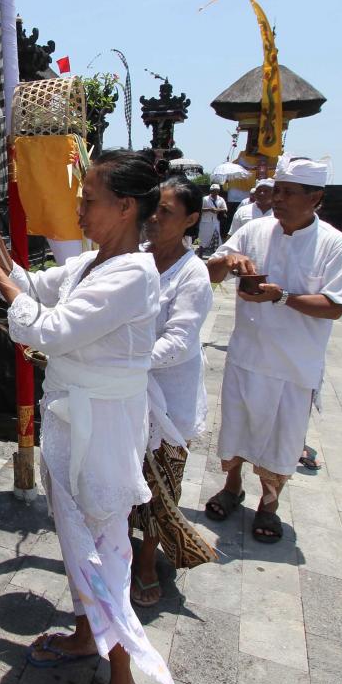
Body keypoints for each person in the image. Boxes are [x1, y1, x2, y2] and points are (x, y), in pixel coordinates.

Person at [0, 149, 178, 684]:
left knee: (107, 550)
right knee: (79, 541)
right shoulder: (94, 264)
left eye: (89, 199)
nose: (78, 207)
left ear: (125, 207)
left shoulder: (132, 274)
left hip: (102, 430)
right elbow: (35, 288)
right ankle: (82, 634)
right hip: (74, 421)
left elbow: (48, 329)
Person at [203, 157, 342, 543]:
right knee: (236, 428)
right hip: (247, 355)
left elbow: (335, 306)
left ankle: (268, 504)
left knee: (283, 438)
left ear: (315, 197)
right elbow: (209, 274)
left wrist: (282, 296)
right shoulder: (255, 230)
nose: (278, 199)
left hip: (294, 365)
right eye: (278, 191)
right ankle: (232, 487)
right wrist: (226, 260)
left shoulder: (334, 244)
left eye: (288, 193)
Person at [130, 178, 218, 608]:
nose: (153, 218)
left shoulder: (193, 273)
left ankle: (147, 561)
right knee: (122, 478)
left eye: (165, 211)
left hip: (169, 399)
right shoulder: (136, 261)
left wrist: (123, 358)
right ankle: (118, 548)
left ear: (191, 219)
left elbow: (180, 342)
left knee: (160, 483)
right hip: (127, 393)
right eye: (152, 208)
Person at [197, 183, 227, 256]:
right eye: (213, 191)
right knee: (201, 238)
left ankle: (215, 255)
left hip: (216, 222)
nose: (215, 192)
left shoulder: (221, 199)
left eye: (216, 191)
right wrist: (209, 209)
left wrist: (218, 210)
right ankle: (197, 251)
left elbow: (225, 209)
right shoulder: (205, 199)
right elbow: (199, 209)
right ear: (210, 191)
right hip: (205, 222)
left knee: (216, 237)